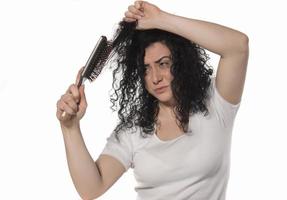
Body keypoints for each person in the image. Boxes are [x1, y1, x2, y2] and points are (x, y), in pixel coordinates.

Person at [56, 1, 249, 199]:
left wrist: (161, 19)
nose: (155, 77)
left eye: (163, 63)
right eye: (145, 69)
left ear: (181, 62)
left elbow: (237, 46)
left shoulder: (215, 102)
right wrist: (70, 128)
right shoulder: (134, 130)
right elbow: (91, 189)